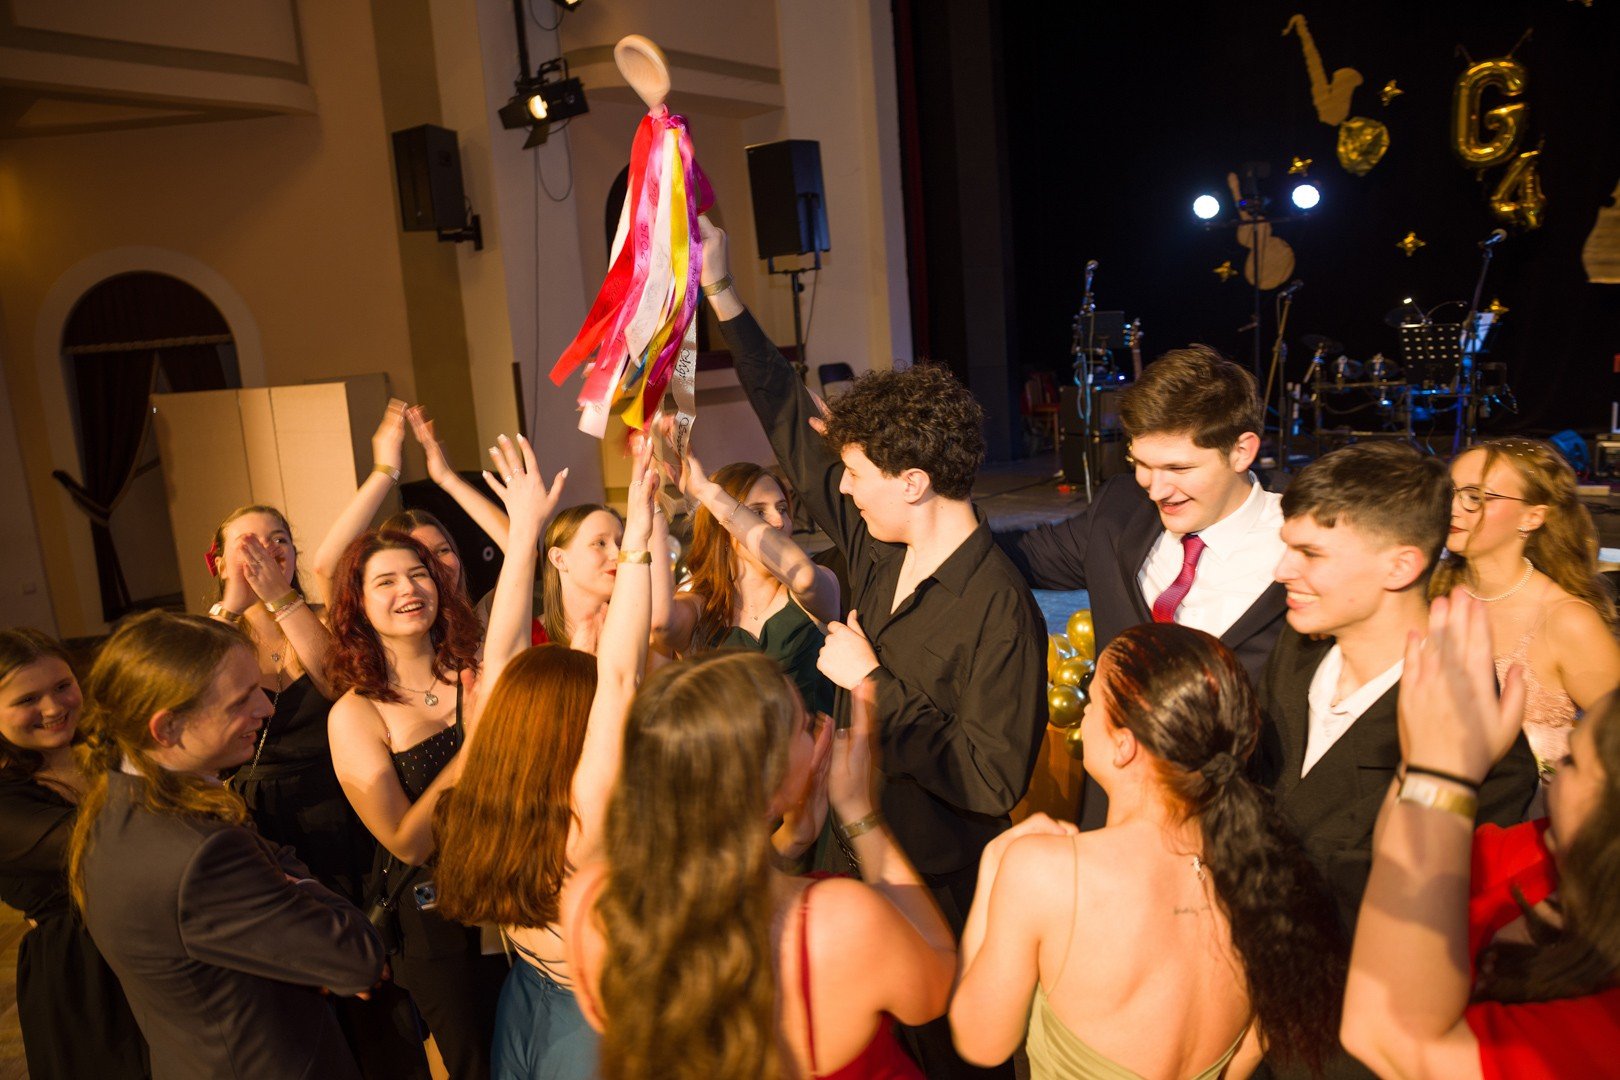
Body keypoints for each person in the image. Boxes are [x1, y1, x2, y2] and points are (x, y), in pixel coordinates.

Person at [702, 211, 1044, 1078]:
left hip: (937, 889)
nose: (841, 490)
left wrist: (874, 683)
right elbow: (791, 423)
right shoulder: (878, 544)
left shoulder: (1000, 606)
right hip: (849, 858)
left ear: (914, 481)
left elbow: (992, 777)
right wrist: (723, 291)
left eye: (856, 475)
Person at [952, 623, 1345, 1078]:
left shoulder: (1048, 873)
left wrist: (993, 865)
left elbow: (982, 1042)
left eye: (1093, 700)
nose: (1084, 711)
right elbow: (1239, 1065)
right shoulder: (1269, 885)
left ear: (1123, 746)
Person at [562, 654, 956, 1080]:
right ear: (767, 788)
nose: (815, 734)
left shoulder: (590, 902)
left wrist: (788, 842)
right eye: (804, 727)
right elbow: (937, 983)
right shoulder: (838, 924)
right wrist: (860, 811)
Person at [327, 432, 563, 1080]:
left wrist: (525, 524)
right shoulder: (357, 712)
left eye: (419, 575)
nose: (409, 589)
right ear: (357, 603)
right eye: (386, 581)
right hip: (437, 923)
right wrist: (477, 743)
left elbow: (516, 599)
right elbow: (406, 840)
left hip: (517, 890)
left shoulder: (473, 667)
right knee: (477, 1064)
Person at [68, 611, 385, 1080]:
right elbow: (356, 957)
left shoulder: (114, 802)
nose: (267, 709)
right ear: (166, 728)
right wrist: (290, 881)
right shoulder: (202, 854)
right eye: (240, 700)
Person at [430, 440, 658, 1080]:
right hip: (593, 1020)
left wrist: (525, 530)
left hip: (525, 997)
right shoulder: (582, 823)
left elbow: (502, 657)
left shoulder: (483, 791)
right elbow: (620, 678)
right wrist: (638, 540)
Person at [995, 345, 1288, 829]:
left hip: (1239, 827)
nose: (1155, 488)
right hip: (1114, 818)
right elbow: (1018, 556)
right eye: (1141, 463)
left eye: (1178, 469)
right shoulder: (1121, 509)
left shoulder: (1305, 542)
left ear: (1242, 450)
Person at [1256, 441, 1539, 933]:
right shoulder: (1295, 650)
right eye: (1287, 547)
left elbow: (1418, 914)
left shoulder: (1470, 726)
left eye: (1310, 553)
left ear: (1401, 567)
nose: (1281, 571)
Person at [1341, 591, 1620, 1078]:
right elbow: (1401, 861)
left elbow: (1387, 1036)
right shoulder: (1538, 848)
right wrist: (1421, 760)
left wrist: (1443, 773)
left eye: (1573, 761)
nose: (1557, 770)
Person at [0, 629, 148, 1079]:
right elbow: (110, 845)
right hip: (86, 979)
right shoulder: (6, 799)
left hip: (153, 948)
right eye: (28, 699)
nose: (53, 708)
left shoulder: (105, 748)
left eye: (63, 686)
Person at [1432, 437, 1620, 779]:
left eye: (1475, 497)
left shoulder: (1567, 620)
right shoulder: (1428, 592)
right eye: (1450, 492)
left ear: (1532, 516)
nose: (1453, 508)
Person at [654, 433, 840, 714]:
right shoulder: (698, 604)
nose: (779, 521)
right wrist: (652, 509)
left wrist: (706, 490)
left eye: (782, 509)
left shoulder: (818, 583)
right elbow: (659, 623)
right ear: (723, 524)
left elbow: (804, 577)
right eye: (757, 513)